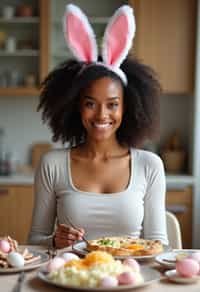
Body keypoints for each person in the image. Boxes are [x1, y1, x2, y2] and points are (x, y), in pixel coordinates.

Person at [28, 4, 168, 248]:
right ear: (75, 106)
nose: (102, 115)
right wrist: (54, 240)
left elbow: (160, 245)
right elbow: (34, 241)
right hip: (71, 280)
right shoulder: (52, 165)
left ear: (128, 107)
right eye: (90, 103)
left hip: (128, 281)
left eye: (112, 104)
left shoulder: (149, 166)